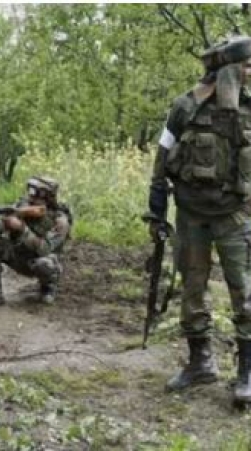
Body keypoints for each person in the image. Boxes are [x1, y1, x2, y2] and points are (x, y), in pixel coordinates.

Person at [146, 36, 251, 403]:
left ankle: (247, 372)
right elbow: (163, 154)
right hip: (191, 215)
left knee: (245, 292)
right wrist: (156, 204)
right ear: (228, 69)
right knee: (192, 289)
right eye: (246, 65)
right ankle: (199, 363)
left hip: (236, 215)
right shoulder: (185, 106)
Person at [0, 175, 72, 309]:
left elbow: (45, 248)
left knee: (44, 263)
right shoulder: (22, 207)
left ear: (47, 196)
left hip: (41, 262)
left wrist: (22, 229)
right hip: (19, 256)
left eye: (36, 192)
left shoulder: (60, 221)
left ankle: (48, 287)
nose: (31, 196)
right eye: (30, 191)